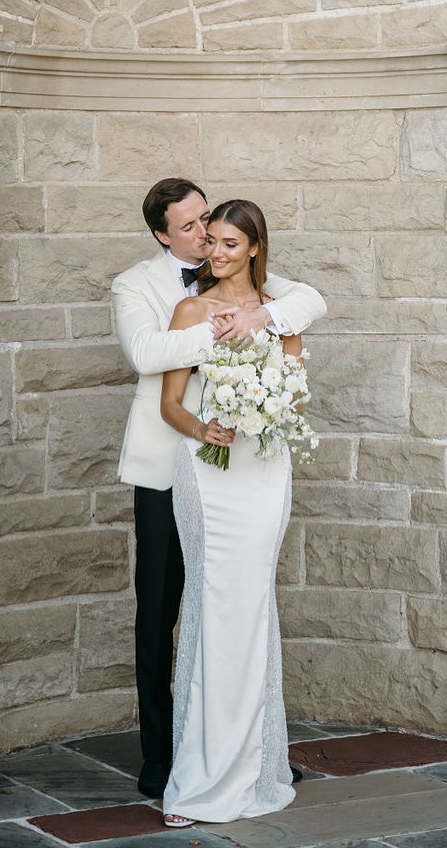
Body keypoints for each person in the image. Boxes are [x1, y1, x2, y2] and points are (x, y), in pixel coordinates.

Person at [112, 178, 326, 798]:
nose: (206, 236)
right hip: (173, 465)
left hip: (253, 464)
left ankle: (256, 752)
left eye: (211, 222)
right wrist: (225, 326)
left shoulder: (265, 286)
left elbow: (306, 304)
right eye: (192, 227)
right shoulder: (138, 286)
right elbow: (146, 354)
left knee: (243, 603)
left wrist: (264, 316)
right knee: (161, 610)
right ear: (162, 234)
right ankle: (163, 756)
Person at [159, 199, 301, 827]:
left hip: (264, 475)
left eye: (228, 245)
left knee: (252, 607)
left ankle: (252, 767)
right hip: (209, 476)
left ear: (254, 249)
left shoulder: (280, 315)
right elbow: (171, 404)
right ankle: (197, 779)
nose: (214, 254)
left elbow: (296, 395)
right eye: (209, 242)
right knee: (213, 604)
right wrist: (207, 426)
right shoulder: (191, 310)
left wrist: (266, 411)